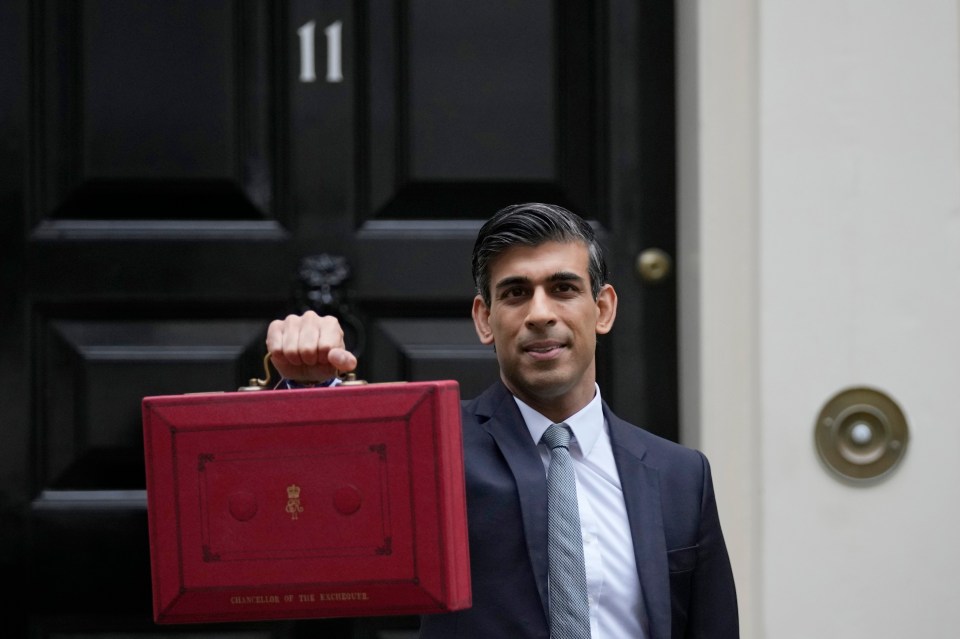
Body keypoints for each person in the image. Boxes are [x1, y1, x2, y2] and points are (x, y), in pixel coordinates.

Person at [266, 203, 738, 638]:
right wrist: (310, 393)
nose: (539, 313)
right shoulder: (432, 451)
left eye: (563, 288)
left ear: (604, 308)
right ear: (484, 319)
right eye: (515, 293)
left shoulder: (681, 475)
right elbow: (314, 521)